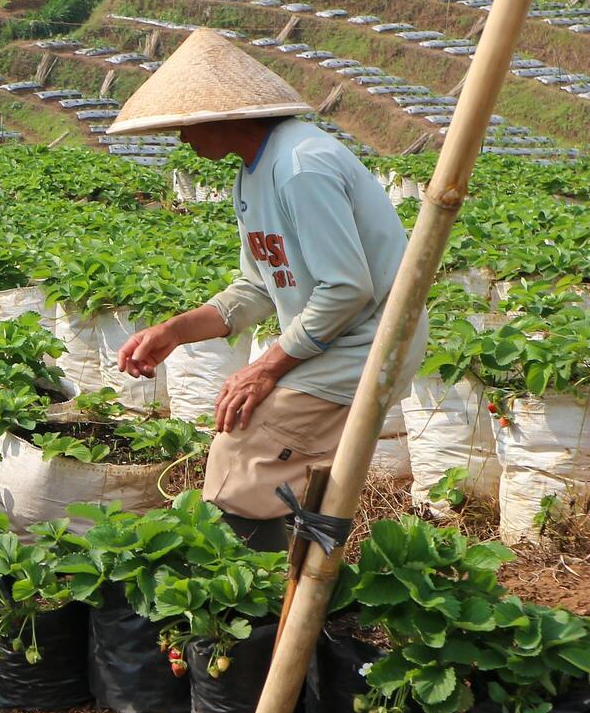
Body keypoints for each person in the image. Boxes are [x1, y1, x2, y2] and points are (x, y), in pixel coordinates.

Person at [105, 29, 424, 551]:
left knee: (244, 460)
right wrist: (174, 331)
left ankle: (259, 604)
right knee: (253, 458)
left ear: (226, 115)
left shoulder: (302, 167)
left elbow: (347, 290)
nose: (182, 138)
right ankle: (294, 589)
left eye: (186, 123)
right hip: (333, 341)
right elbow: (258, 285)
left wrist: (265, 367)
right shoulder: (254, 174)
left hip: (365, 344)